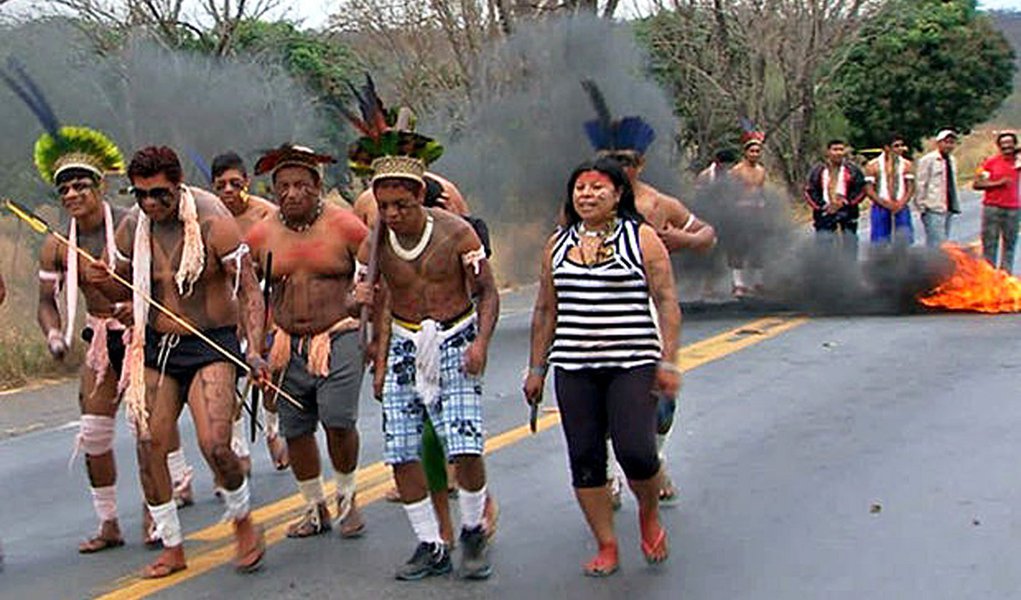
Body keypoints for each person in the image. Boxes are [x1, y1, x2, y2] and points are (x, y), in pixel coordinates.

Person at [100, 146, 268, 578]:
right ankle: (172, 544)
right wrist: (104, 286)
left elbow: (248, 289)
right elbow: (116, 289)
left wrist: (253, 350)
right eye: (140, 195)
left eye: (159, 194)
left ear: (178, 186)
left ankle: (243, 518)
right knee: (148, 445)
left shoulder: (212, 219)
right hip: (158, 345)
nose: (150, 204)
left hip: (211, 342)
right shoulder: (132, 228)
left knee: (215, 444)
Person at [31, 127, 195, 552]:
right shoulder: (56, 245)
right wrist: (54, 335)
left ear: (99, 186)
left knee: (147, 433)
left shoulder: (132, 224)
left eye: (80, 185)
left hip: (142, 336)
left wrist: (141, 311)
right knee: (94, 433)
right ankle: (108, 524)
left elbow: (164, 280)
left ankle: (156, 516)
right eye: (64, 188)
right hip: (101, 340)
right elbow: (46, 300)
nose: (71, 194)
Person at [523, 157, 680, 577]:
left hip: (632, 363)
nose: (587, 195)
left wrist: (669, 361)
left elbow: (666, 301)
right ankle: (606, 544)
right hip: (574, 367)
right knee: (586, 458)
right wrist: (536, 368)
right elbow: (544, 310)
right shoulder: (556, 245)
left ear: (617, 195)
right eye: (580, 188)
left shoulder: (641, 238)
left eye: (597, 188)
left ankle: (648, 510)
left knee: (636, 450)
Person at [353, 144, 499, 580]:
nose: (393, 214)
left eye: (402, 204)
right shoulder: (374, 241)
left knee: (465, 444)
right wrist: (356, 301)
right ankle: (431, 543)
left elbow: (487, 292)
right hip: (403, 343)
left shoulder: (458, 234)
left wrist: (481, 344)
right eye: (384, 206)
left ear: (420, 195)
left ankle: (472, 530)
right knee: (400, 450)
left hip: (456, 338)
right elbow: (358, 299)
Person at [245, 144, 368, 539]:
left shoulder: (346, 227)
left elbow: (374, 279)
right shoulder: (262, 235)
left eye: (301, 184)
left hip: (339, 335)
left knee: (338, 419)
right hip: (285, 343)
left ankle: (347, 498)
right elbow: (249, 295)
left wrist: (373, 330)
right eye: (283, 186)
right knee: (296, 429)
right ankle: (314, 507)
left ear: (317, 187)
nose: (292, 193)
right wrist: (254, 347)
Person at [211, 151, 289, 472]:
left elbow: (283, 260)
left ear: (247, 183)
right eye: (221, 186)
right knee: (226, 382)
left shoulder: (267, 215)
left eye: (235, 184)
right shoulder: (209, 219)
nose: (229, 191)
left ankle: (272, 430)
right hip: (226, 311)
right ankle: (238, 447)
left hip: (264, 305)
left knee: (267, 377)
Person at [804, 139, 867, 259]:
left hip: (848, 213)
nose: (838, 153)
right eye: (835, 149)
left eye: (841, 149)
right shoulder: (818, 170)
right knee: (824, 248)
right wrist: (823, 206)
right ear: (828, 152)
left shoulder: (852, 169)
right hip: (824, 213)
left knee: (850, 245)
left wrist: (847, 202)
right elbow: (809, 191)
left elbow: (861, 190)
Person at [973, 131, 1021, 273]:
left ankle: (1005, 278)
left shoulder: (1018, 162)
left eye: (1009, 143)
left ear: (1014, 145)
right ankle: (989, 277)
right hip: (992, 208)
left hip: (1013, 209)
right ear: (999, 146)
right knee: (989, 244)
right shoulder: (990, 163)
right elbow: (977, 184)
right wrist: (998, 183)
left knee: (1009, 245)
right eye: (1003, 144)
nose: (1007, 146)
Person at [728, 130, 769, 296]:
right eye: (752, 151)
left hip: (757, 213)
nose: (755, 154)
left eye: (757, 151)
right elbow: (729, 192)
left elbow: (762, 190)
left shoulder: (761, 171)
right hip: (739, 213)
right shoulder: (736, 171)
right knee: (739, 248)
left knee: (758, 247)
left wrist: (763, 203)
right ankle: (738, 283)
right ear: (745, 153)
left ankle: (758, 282)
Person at [864, 134, 915, 245]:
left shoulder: (907, 164)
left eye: (902, 145)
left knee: (904, 239)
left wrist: (901, 203)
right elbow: (869, 190)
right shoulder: (873, 165)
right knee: (880, 241)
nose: (900, 149)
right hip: (880, 206)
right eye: (896, 146)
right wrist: (884, 203)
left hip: (900, 205)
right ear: (887, 148)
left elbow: (910, 187)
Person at [914, 129, 961, 247]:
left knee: (944, 243)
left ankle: (940, 264)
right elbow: (921, 183)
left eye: (951, 142)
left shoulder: (952, 160)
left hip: (948, 207)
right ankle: (932, 265)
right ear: (938, 143)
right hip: (933, 207)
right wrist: (921, 205)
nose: (949, 145)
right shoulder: (928, 160)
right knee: (936, 243)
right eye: (946, 142)